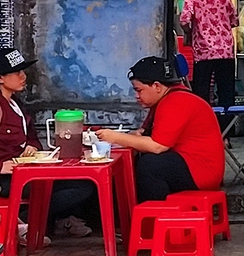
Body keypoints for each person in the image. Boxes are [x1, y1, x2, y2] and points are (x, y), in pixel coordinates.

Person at [0, 48, 95, 241]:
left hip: (25, 171)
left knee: (81, 182)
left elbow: (31, 137)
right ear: (0, 78)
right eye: (17, 73)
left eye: (23, 72)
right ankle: (21, 222)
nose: (23, 77)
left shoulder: (15, 103)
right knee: (78, 188)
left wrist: (32, 147)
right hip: (1, 179)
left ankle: (47, 221)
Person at [96, 56, 225, 202]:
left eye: (139, 90)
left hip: (202, 171)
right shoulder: (166, 99)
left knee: (150, 165)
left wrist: (114, 137)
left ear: (157, 86)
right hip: (189, 163)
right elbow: (147, 134)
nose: (136, 96)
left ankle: (157, 214)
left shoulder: (176, 101)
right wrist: (133, 137)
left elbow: (158, 146)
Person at [180, 0, 239, 108]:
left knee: (202, 94)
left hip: (204, 51)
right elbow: (234, 21)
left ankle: (204, 126)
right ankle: (227, 127)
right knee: (226, 93)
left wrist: (189, 32)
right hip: (226, 51)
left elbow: (184, 21)